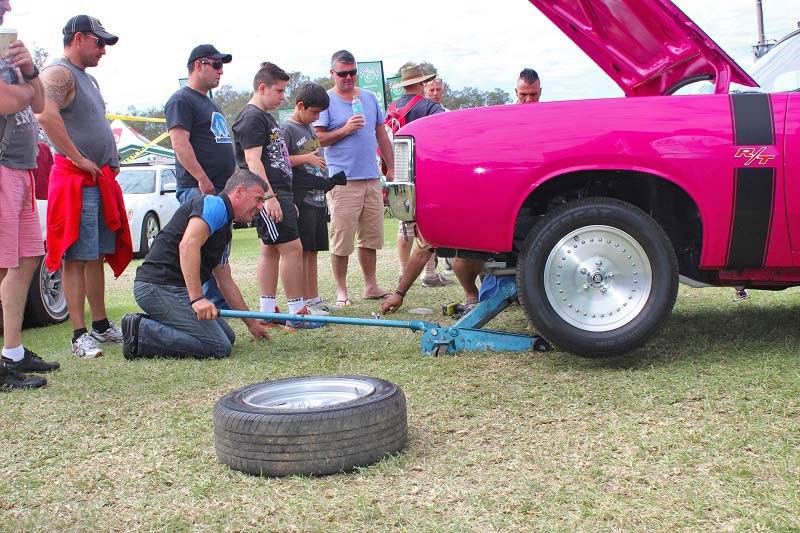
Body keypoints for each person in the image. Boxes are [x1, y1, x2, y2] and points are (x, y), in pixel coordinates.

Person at [39, 15, 132, 360]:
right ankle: (79, 335)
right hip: (75, 180)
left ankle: (101, 325)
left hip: (97, 180)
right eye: (99, 42)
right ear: (79, 38)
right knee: (76, 257)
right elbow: (45, 115)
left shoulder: (87, 79)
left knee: (94, 257)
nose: (104, 50)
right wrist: (78, 157)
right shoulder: (58, 72)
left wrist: (110, 158)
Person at [121, 169, 272, 359]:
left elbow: (225, 281)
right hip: (157, 287)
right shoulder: (213, 205)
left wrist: (251, 323)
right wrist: (197, 299)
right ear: (239, 191)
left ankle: (161, 323)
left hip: (175, 290)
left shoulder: (224, 226)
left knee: (228, 336)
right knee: (219, 347)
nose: (260, 207)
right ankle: (139, 330)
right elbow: (188, 245)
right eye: (258, 199)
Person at [233, 63, 329, 330]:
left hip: (279, 192)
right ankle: (296, 313)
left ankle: (268, 311)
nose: (283, 96)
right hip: (268, 192)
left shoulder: (265, 116)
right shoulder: (251, 117)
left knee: (271, 250)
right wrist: (270, 196)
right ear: (262, 88)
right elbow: (252, 160)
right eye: (279, 90)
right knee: (292, 249)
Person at [0, 0, 60, 390]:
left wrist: (30, 71)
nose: (6, 9)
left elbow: (39, 103)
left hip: (21, 170)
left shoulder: (8, 58)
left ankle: (14, 352)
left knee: (27, 258)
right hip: (2, 168)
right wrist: (23, 86)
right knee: (4, 265)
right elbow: (9, 101)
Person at [314, 50, 394, 308]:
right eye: (342, 73)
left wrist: (390, 166)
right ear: (332, 73)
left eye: (352, 72)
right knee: (342, 238)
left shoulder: (369, 98)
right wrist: (346, 129)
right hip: (342, 180)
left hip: (371, 177)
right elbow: (319, 139)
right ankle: (341, 290)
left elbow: (381, 134)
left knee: (371, 237)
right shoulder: (325, 101)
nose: (348, 77)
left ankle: (370, 285)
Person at [165, 44, 236, 310]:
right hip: (200, 189)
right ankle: (206, 305)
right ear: (198, 65)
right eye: (216, 65)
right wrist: (201, 179)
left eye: (222, 66)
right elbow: (179, 143)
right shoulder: (181, 99)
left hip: (220, 190)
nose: (221, 72)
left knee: (217, 252)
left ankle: (220, 307)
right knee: (202, 250)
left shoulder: (209, 101)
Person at [281, 82, 346, 316]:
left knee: (313, 251)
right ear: (300, 106)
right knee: (301, 251)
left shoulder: (309, 128)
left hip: (318, 199)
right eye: (314, 112)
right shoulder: (287, 129)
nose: (317, 117)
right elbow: (280, 160)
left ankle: (313, 298)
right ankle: (302, 303)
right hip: (302, 199)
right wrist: (306, 158)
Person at [391, 65, 452, 288]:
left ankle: (403, 272)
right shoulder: (429, 106)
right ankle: (428, 273)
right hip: (425, 171)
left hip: (399, 170)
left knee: (404, 223)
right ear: (421, 84)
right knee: (426, 223)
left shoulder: (394, 106)